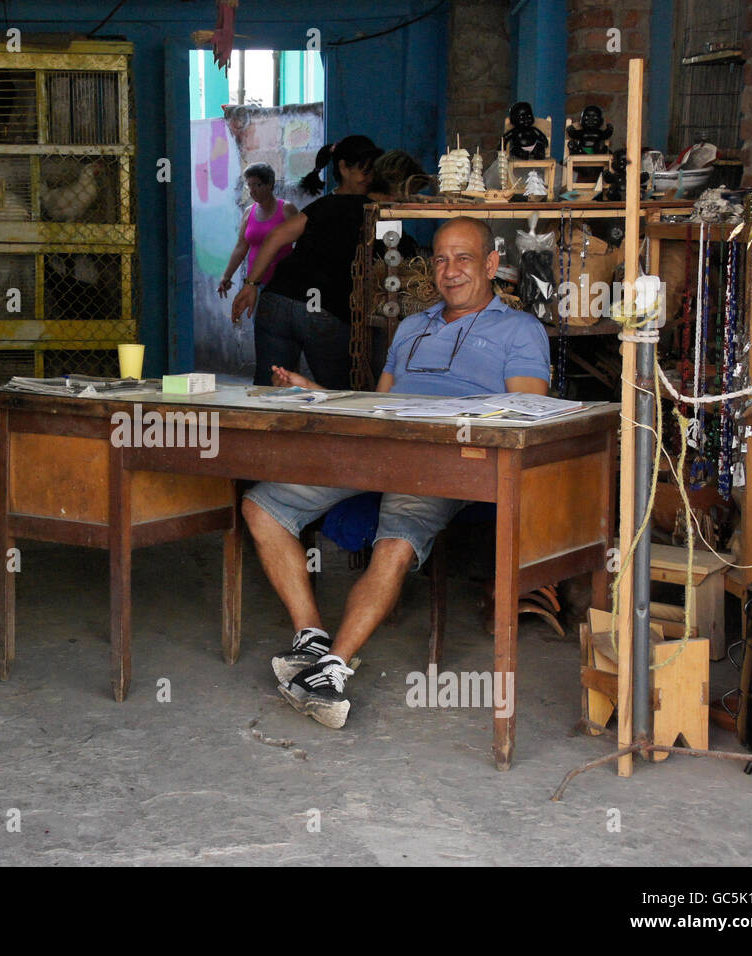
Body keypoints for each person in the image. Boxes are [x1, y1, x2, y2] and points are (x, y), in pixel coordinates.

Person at [243, 216, 551, 728]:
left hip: (448, 464)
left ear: (493, 265)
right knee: (261, 505)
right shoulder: (412, 326)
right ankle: (310, 635)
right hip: (380, 448)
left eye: (464, 259)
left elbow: (525, 413)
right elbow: (378, 406)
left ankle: (331, 670)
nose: (449, 272)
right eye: (441, 260)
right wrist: (320, 393)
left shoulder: (519, 329)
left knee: (394, 542)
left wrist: (446, 427)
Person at [230, 136, 382, 388]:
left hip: (276, 301)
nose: (368, 177)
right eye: (363, 170)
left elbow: (276, 236)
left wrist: (251, 284)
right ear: (343, 167)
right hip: (321, 309)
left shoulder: (320, 206)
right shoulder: (372, 209)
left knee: (271, 389)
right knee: (337, 398)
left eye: (371, 171)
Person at [217, 164, 298, 299]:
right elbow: (241, 247)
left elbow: (305, 241)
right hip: (254, 284)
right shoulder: (249, 212)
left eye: (257, 185)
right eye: (249, 185)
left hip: (284, 284)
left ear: (270, 185)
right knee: (259, 320)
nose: (252, 191)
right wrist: (227, 275)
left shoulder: (286, 209)